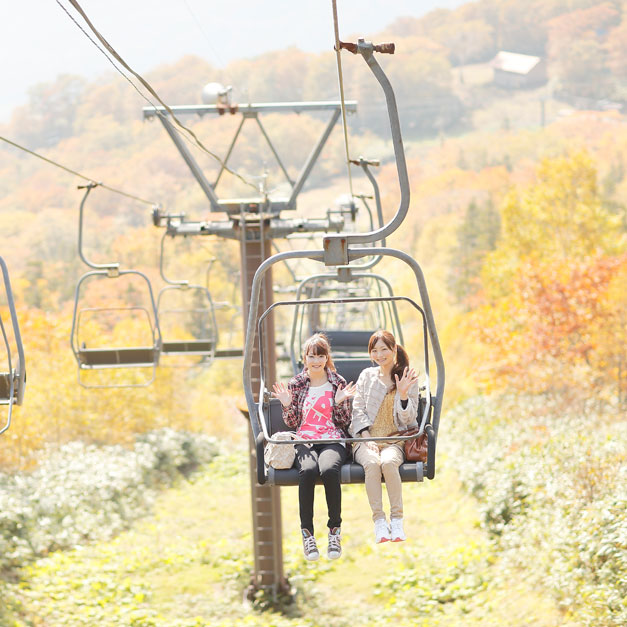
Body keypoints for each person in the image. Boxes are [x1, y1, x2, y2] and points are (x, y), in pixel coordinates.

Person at [272, 333, 356, 561]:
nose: (316, 361)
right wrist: (287, 404)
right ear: (305, 358)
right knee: (308, 471)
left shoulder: (337, 382)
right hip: (305, 439)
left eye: (321, 356)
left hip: (331, 438)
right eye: (312, 356)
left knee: (329, 470)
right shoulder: (297, 384)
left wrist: (339, 402)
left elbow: (343, 421)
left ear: (327, 357)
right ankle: (307, 534)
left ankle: (334, 531)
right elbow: (292, 422)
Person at [350, 330, 419, 544]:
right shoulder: (366, 376)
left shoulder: (407, 377)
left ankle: (396, 519)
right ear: (371, 354)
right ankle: (379, 520)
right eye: (375, 351)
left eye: (384, 350)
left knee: (388, 463)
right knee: (372, 463)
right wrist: (366, 437)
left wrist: (404, 394)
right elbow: (357, 409)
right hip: (366, 439)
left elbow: (409, 419)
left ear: (394, 350)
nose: (380, 355)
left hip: (394, 438)